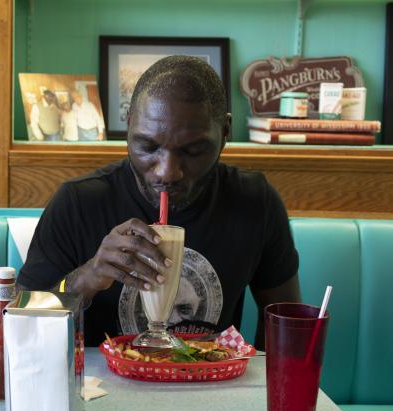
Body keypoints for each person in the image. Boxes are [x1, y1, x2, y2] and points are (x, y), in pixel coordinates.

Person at [17, 56, 301, 349]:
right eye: (148, 146)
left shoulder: (254, 202)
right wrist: (87, 278)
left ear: (225, 133)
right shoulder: (78, 203)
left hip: (210, 388)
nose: (167, 172)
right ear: (128, 126)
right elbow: (20, 325)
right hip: (99, 390)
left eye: (192, 150)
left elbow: (287, 327)